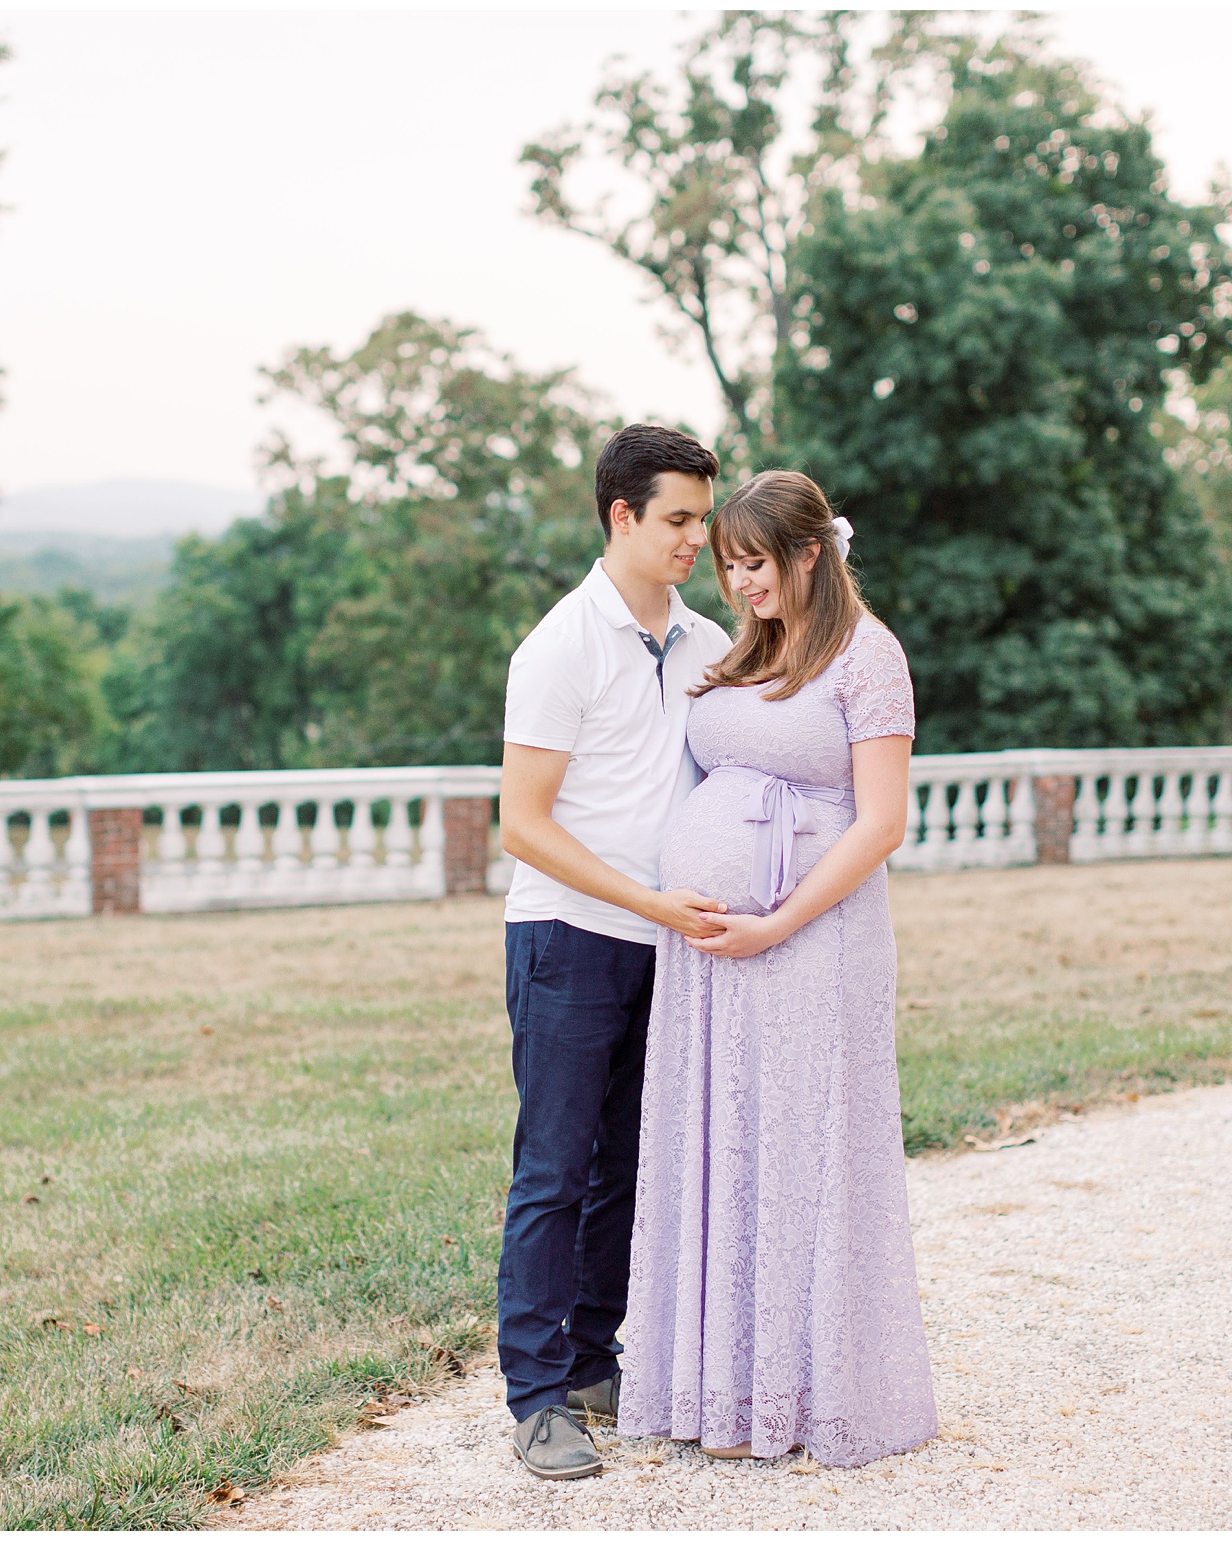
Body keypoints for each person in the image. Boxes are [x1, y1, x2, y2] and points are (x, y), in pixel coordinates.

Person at [618, 468, 939, 1467]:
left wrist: (777, 920)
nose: (740, 585)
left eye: (754, 564)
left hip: (814, 942)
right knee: (727, 1144)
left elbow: (880, 820)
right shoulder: (743, 651)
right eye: (729, 568)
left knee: (808, 1149)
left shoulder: (867, 655)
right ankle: (720, 1383)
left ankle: (816, 1390)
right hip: (712, 958)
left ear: (810, 553)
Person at [494, 423, 734, 1481]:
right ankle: (536, 1395)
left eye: (702, 519)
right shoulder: (558, 645)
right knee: (551, 1169)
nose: (696, 539)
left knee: (627, 1165)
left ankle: (594, 1361)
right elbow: (524, 822)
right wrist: (645, 898)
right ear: (620, 515)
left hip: (666, 945)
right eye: (677, 519)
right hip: (566, 936)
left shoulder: (704, 644)